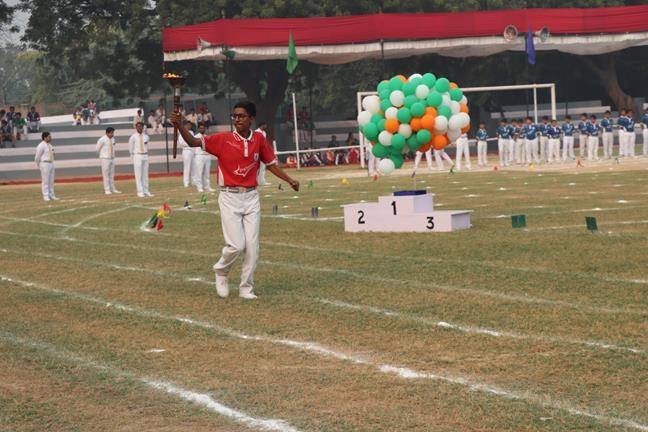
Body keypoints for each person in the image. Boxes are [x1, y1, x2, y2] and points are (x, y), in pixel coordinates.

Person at [170, 100, 300, 300]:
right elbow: (193, 142)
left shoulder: (259, 139)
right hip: (229, 197)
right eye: (235, 116)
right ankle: (221, 270)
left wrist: (290, 180)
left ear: (251, 118)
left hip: (251, 197)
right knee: (236, 245)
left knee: (252, 248)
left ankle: (246, 288)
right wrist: (179, 125)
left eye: (241, 116)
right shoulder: (223, 139)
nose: (237, 119)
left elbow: (271, 164)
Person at [96, 127, 121, 195]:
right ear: (107, 133)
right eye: (111, 133)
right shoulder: (102, 139)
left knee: (111, 175)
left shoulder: (113, 139)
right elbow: (97, 149)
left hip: (112, 158)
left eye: (113, 133)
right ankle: (107, 189)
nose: (113, 134)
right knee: (106, 175)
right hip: (105, 159)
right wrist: (103, 155)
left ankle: (113, 189)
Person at [129, 122, 152, 197]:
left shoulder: (146, 136)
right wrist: (133, 156)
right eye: (138, 126)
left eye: (141, 126)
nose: (139, 128)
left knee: (145, 174)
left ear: (143, 127)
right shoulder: (133, 137)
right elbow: (130, 148)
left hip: (145, 155)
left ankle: (146, 191)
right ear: (136, 127)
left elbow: (147, 146)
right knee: (138, 175)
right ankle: (140, 192)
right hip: (137, 155)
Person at [192, 122, 215, 193]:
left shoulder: (207, 137)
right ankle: (199, 187)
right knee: (199, 172)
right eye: (201, 128)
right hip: (199, 156)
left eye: (203, 128)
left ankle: (207, 187)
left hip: (207, 156)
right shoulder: (195, 137)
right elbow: (193, 147)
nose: (202, 129)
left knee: (207, 173)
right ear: (198, 129)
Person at [35, 132, 58, 201]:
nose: (51, 138)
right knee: (45, 181)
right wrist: (39, 165)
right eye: (49, 137)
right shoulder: (41, 145)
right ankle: (46, 196)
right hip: (45, 163)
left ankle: (52, 195)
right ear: (45, 138)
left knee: (51, 181)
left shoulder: (50, 145)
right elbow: (37, 156)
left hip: (51, 163)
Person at [179, 119, 195, 188]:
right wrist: (189, 143)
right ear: (185, 126)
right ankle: (186, 182)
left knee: (193, 167)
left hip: (192, 150)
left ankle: (193, 181)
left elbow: (194, 140)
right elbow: (181, 143)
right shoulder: (182, 132)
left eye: (190, 125)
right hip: (186, 150)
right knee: (187, 167)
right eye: (188, 125)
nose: (189, 126)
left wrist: (191, 143)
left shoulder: (191, 132)